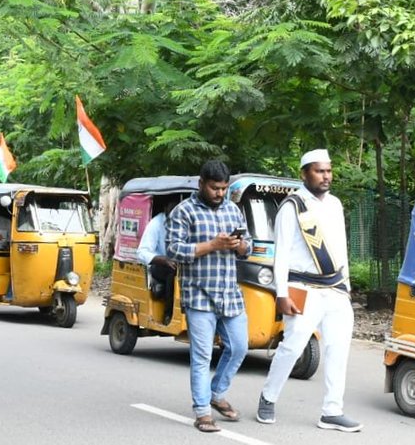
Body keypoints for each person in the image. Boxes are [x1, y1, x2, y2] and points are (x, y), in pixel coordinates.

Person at [257, 149, 362, 432]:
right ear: (304, 174)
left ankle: (332, 411)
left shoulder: (336, 204)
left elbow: (340, 248)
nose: (326, 176)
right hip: (301, 287)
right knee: (292, 347)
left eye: (328, 171)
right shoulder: (292, 206)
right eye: (319, 171)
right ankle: (268, 397)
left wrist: (347, 286)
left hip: (336, 289)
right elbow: (280, 255)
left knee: (338, 350)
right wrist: (281, 294)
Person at [166, 160, 250, 433]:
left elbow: (248, 248)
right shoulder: (183, 211)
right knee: (201, 356)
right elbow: (175, 251)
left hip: (230, 294)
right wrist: (213, 245)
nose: (220, 194)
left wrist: (239, 245)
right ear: (201, 183)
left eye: (224, 189)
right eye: (215, 188)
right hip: (199, 295)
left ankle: (216, 393)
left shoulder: (233, 210)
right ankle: (202, 412)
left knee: (239, 347)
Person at [137, 203, 177, 299]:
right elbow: (142, 252)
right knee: (172, 272)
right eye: (173, 208)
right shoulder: (156, 223)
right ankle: (169, 312)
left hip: (179, 263)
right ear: (166, 208)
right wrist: (163, 260)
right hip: (159, 265)